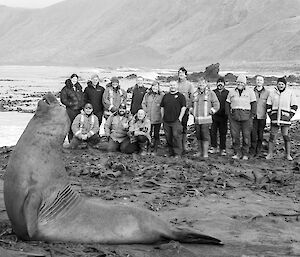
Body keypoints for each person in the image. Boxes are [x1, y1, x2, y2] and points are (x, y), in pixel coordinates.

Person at [266, 77, 298, 161]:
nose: (280, 85)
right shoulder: (272, 93)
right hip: (275, 119)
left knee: (286, 136)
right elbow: (268, 105)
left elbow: (294, 106)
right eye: (279, 84)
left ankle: (287, 154)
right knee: (272, 136)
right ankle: (270, 154)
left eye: (282, 84)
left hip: (285, 120)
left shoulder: (290, 93)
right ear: (277, 84)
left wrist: (289, 116)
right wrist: (271, 115)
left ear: (285, 85)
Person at [226, 74, 257, 160]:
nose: (240, 84)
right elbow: (227, 104)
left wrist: (252, 116)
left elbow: (254, 104)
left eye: (242, 82)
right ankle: (237, 153)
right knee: (234, 136)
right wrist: (229, 115)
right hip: (234, 117)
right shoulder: (231, 92)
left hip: (246, 117)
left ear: (245, 83)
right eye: (238, 82)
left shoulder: (250, 92)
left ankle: (245, 154)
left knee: (246, 136)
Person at [192, 77, 220, 158]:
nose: (201, 85)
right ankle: (200, 152)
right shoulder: (195, 94)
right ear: (197, 84)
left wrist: (212, 111)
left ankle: (205, 153)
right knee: (198, 136)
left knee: (205, 136)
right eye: (200, 83)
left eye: (203, 83)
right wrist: (191, 111)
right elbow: (190, 104)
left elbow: (216, 104)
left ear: (206, 84)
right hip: (197, 120)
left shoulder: (210, 93)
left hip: (206, 120)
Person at [160, 80, 186, 158]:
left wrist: (180, 118)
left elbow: (183, 107)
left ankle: (177, 153)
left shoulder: (181, 96)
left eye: (174, 85)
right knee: (168, 137)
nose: (172, 87)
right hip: (166, 120)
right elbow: (162, 107)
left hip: (176, 120)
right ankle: (170, 152)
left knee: (176, 136)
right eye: (171, 85)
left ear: (177, 86)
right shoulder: (166, 96)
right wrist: (162, 117)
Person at [142, 81, 164, 155]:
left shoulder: (162, 95)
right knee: (148, 133)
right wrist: (146, 111)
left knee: (156, 134)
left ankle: (155, 149)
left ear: (158, 87)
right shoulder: (147, 95)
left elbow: (164, 105)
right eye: (153, 86)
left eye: (156, 87)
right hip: (148, 118)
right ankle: (148, 149)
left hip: (157, 117)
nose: (155, 88)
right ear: (151, 87)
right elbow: (143, 103)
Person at [60, 73, 84, 142]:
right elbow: (63, 100)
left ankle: (77, 140)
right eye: (73, 79)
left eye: (76, 79)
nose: (74, 80)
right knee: (71, 125)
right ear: (71, 79)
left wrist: (82, 106)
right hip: (70, 110)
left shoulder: (79, 88)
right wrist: (71, 104)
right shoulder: (65, 88)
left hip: (78, 110)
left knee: (78, 125)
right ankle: (70, 140)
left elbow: (82, 97)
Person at [250, 75, 270, 156]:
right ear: (255, 81)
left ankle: (258, 150)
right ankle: (252, 150)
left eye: (260, 80)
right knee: (253, 134)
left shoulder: (267, 92)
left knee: (260, 134)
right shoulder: (251, 91)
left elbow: (270, 104)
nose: (259, 81)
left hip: (262, 116)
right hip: (253, 116)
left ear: (263, 82)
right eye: (257, 80)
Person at [209, 77, 229, 156]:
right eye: (218, 82)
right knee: (213, 132)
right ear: (216, 84)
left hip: (224, 116)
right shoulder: (212, 92)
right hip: (214, 115)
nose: (220, 84)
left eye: (222, 82)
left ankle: (222, 149)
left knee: (223, 133)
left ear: (224, 84)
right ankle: (214, 147)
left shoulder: (227, 93)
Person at [177, 67, 195, 153]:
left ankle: (184, 144)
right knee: (176, 127)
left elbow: (192, 97)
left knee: (184, 126)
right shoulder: (175, 84)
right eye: (179, 73)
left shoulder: (189, 85)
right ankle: (177, 144)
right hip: (175, 109)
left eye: (182, 73)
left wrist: (190, 107)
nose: (181, 74)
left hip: (185, 109)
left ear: (185, 75)